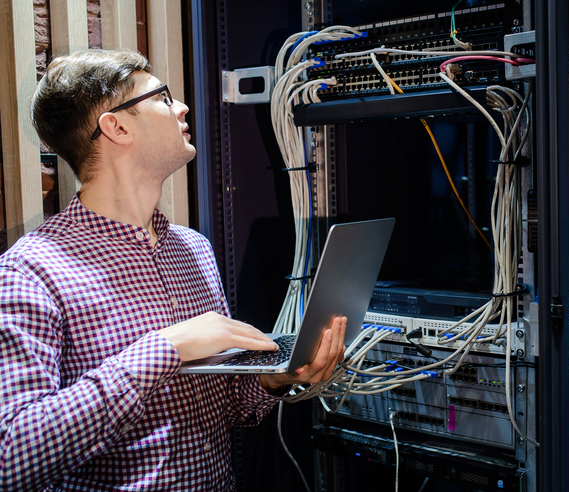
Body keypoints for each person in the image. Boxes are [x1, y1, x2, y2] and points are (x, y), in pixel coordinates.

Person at [0, 49, 346, 491]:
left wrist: (277, 377)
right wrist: (163, 349)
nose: (181, 107)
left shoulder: (193, 249)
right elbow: (12, 457)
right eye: (162, 97)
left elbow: (231, 408)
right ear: (117, 126)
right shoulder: (29, 271)